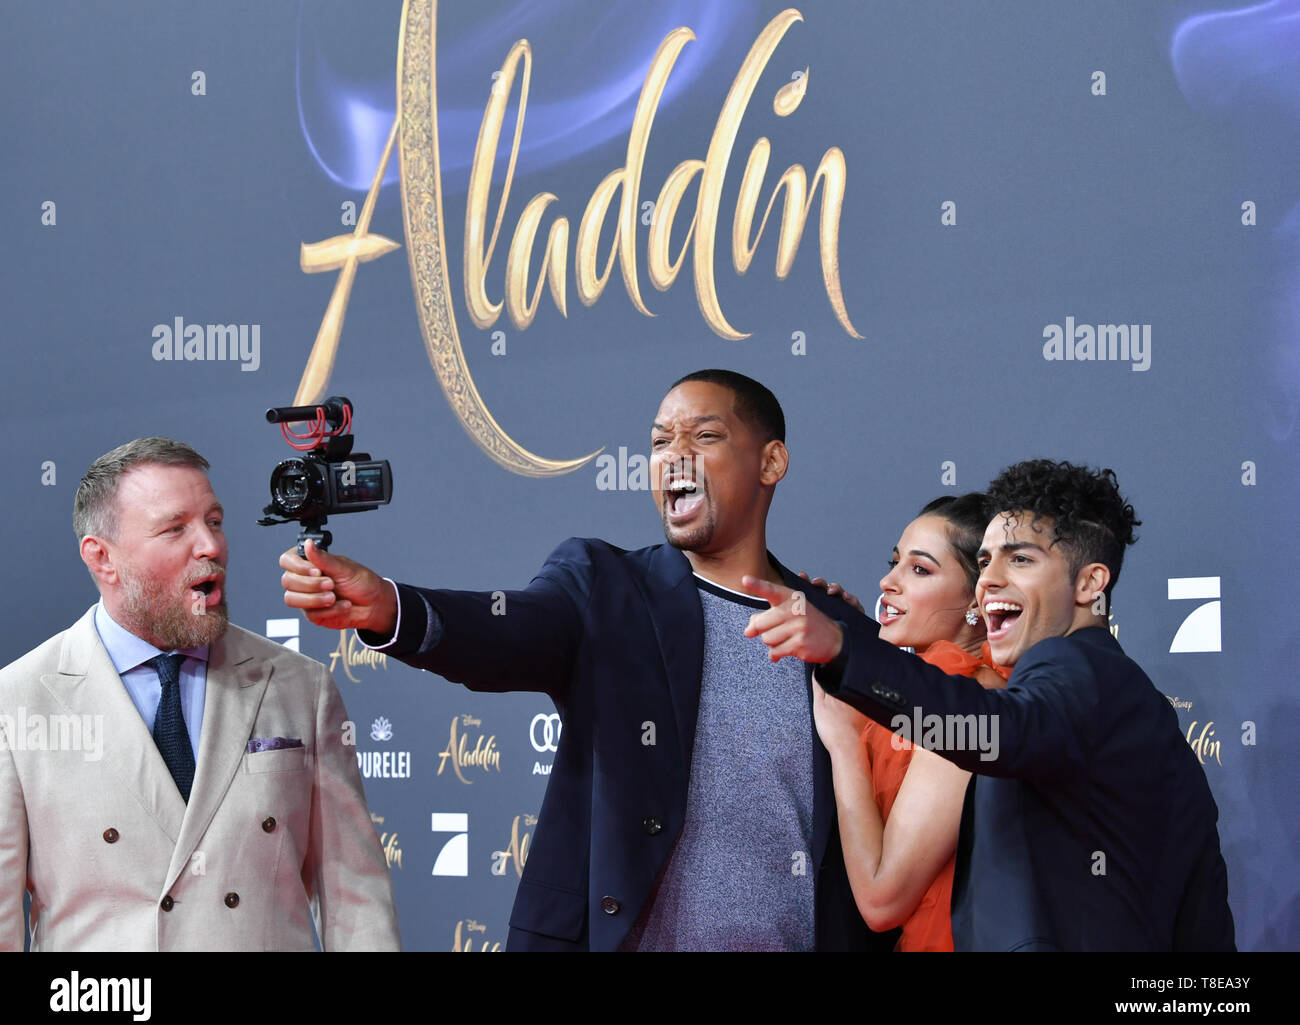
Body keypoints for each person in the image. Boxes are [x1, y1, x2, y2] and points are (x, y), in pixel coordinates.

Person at [280, 370, 894, 952]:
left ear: (771, 462)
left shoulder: (835, 630)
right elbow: (510, 631)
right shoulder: (606, 585)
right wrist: (392, 607)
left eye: (705, 435)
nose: (674, 455)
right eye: (659, 441)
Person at [744, 460, 1235, 951]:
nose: (990, 580)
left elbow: (991, 731)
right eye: (984, 562)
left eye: (1019, 560)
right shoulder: (1116, 696)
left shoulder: (1077, 669)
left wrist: (846, 652)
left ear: (1089, 585)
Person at [0, 438, 400, 951]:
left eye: (214, 521)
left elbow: (355, 897)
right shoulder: (20, 701)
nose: (210, 546)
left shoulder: (300, 687)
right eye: (175, 529)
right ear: (102, 559)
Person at [811, 494, 1008, 951]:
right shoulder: (927, 692)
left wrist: (843, 743)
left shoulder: (973, 702)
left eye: (920, 570)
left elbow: (883, 902)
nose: (887, 581)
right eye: (894, 562)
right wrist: (851, 639)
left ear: (978, 600)